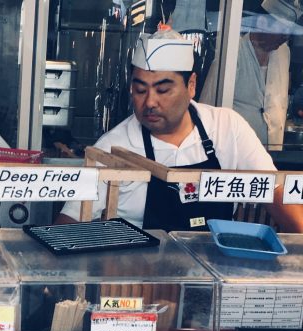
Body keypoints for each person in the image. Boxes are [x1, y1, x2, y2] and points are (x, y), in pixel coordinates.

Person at [56, 29, 303, 232]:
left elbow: (274, 190)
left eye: (163, 90)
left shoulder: (227, 127)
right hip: (137, 280)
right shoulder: (112, 148)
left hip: (214, 268)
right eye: (140, 90)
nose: (150, 102)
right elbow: (69, 224)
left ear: (191, 85)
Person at [200, 0, 303, 150]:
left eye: (289, 32)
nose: (285, 37)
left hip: (272, 154)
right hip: (233, 152)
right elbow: (206, 108)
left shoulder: (283, 53)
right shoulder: (231, 53)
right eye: (281, 29)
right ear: (262, 23)